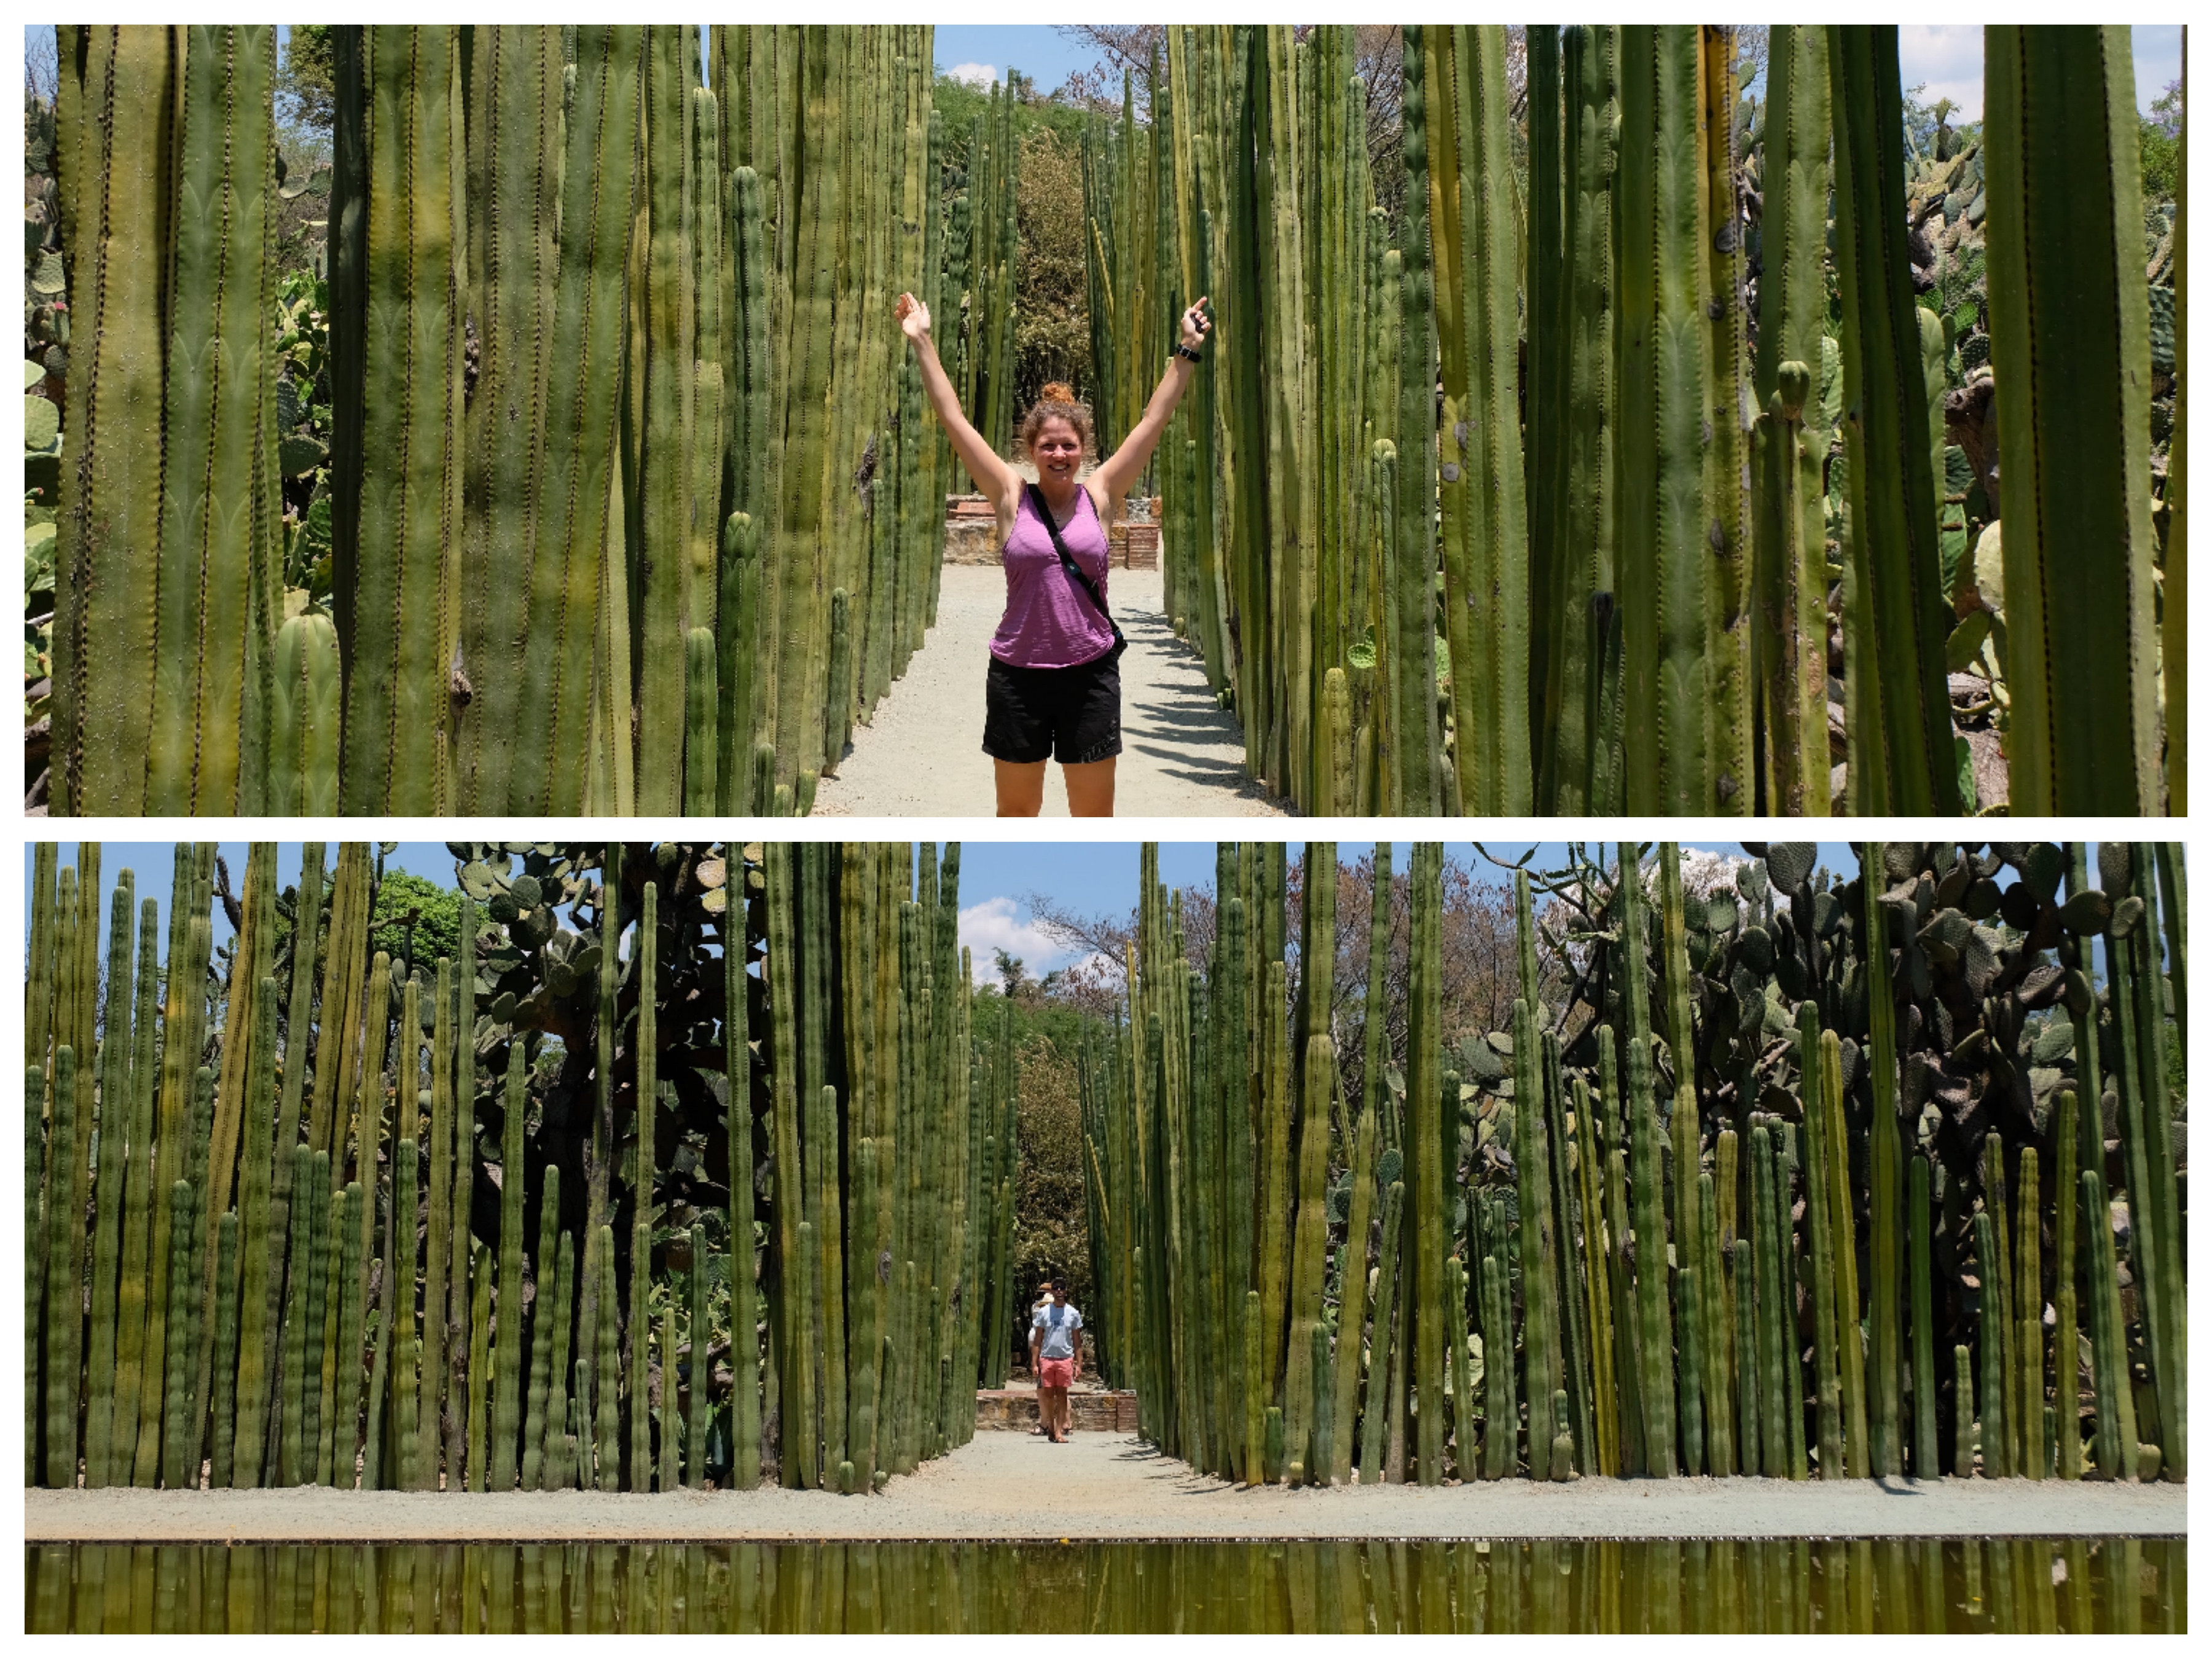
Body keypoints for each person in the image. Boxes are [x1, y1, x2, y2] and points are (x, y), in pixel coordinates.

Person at [895, 287, 1213, 817]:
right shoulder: (1009, 494)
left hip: (1089, 677)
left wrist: (1187, 350)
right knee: (1015, 819)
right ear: (1030, 451)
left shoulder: (1103, 493)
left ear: (1082, 449)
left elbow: (1152, 424)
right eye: (1048, 446)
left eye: (1069, 446)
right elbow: (954, 421)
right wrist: (922, 342)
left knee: (1093, 820)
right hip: (1017, 677)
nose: (1060, 455)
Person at [1028, 1279, 1084, 1443]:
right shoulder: (1044, 1313)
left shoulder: (1073, 1313)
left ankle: (1059, 1431)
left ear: (1066, 1292)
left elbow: (1077, 1340)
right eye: (1056, 1289)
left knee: (1062, 1395)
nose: (1059, 1291)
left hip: (1065, 1359)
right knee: (1048, 1396)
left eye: (1062, 1288)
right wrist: (1034, 1363)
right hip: (1047, 1358)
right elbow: (1038, 1339)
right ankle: (1051, 1428)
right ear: (1052, 1292)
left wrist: (1079, 1363)